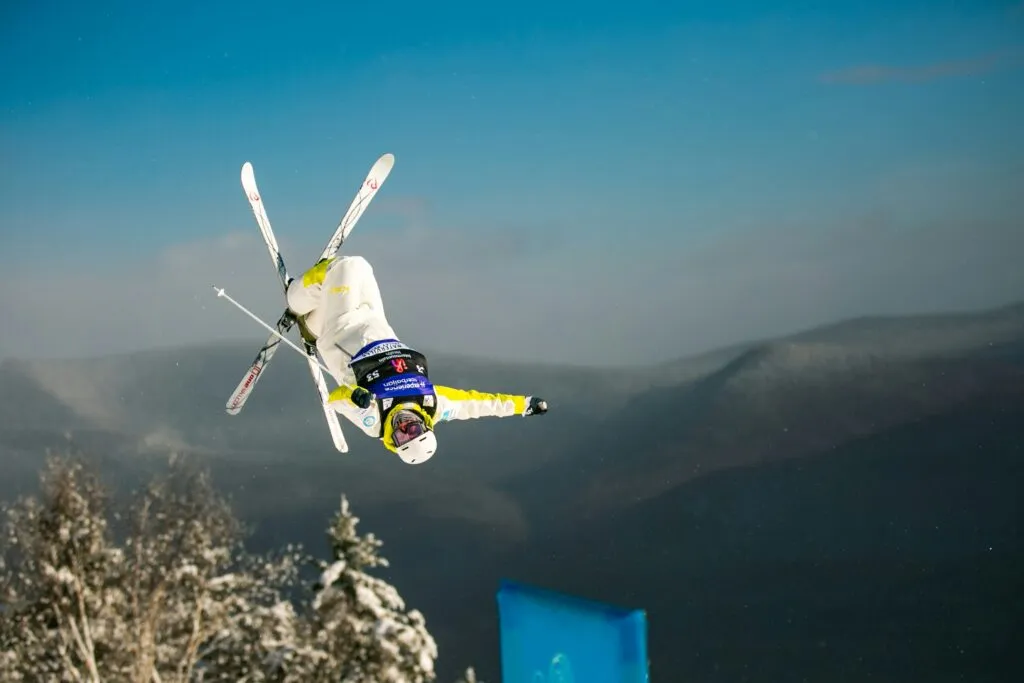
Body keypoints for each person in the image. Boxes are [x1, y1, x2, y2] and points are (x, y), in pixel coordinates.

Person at [284, 254, 548, 464]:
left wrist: (355, 396)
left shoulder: (374, 419)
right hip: (377, 324)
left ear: (393, 442)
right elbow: (479, 404)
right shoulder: (434, 405)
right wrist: (524, 405)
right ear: (425, 426)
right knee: (363, 269)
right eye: (414, 430)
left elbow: (335, 401)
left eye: (402, 436)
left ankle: (295, 299)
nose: (404, 426)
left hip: (343, 332)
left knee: (348, 265)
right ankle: (312, 322)